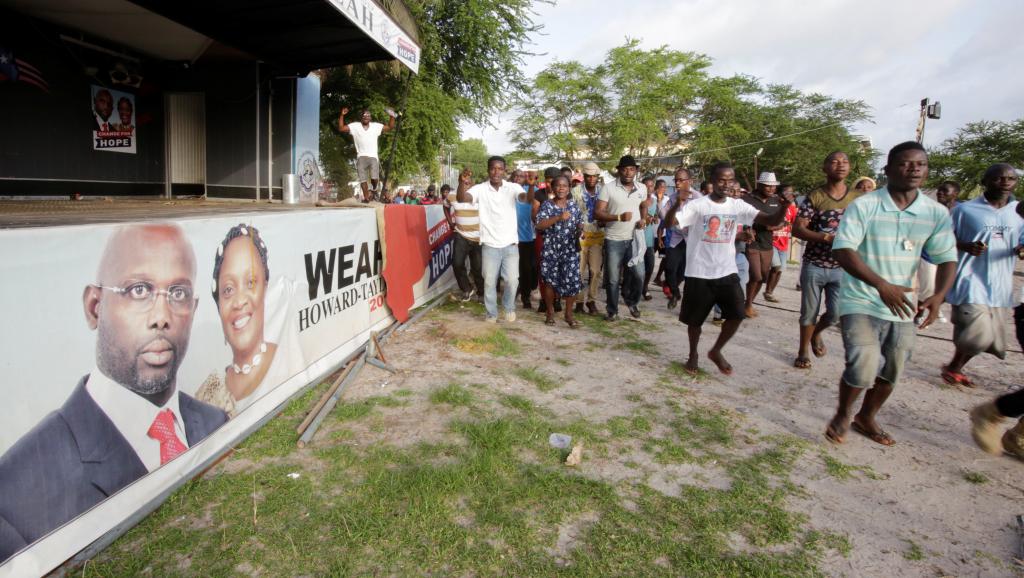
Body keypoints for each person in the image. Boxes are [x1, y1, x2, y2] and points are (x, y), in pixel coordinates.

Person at [0, 224, 227, 562]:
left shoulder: (215, 424)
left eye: (177, 293)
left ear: (193, 311)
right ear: (95, 306)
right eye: (138, 290)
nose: (162, 317)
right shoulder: (12, 496)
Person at [824, 141, 958, 446]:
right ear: (887, 169)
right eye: (905, 163)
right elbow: (843, 250)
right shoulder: (866, 205)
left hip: (902, 306)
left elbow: (947, 257)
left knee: (894, 366)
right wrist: (881, 285)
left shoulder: (934, 213)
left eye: (920, 164)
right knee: (864, 362)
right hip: (860, 299)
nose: (913, 169)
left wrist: (939, 296)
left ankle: (867, 416)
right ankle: (844, 412)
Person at [673, 162, 792, 374]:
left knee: (737, 313)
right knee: (695, 321)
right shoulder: (699, 205)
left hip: (726, 271)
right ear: (712, 180)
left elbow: (770, 219)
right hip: (699, 271)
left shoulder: (737, 205)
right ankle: (693, 354)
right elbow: (673, 222)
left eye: (730, 180)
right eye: (721, 180)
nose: (726, 184)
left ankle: (716, 350)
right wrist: (677, 204)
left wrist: (784, 207)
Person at [196, 224, 305, 417]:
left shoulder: (289, 355)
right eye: (228, 289)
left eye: (251, 283)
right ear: (219, 305)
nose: (239, 302)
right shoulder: (206, 396)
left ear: (265, 288)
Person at [940, 164, 1023, 387]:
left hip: (1000, 284)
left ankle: (954, 367)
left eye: (1011, 178)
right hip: (969, 279)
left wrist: (1020, 249)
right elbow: (942, 238)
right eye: (999, 178)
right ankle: (955, 363)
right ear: (985, 181)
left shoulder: (1018, 212)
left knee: (993, 342)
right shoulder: (965, 210)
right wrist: (965, 245)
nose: (1005, 182)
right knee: (979, 335)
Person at [791, 151, 865, 369]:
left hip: (843, 266)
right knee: (809, 311)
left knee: (835, 314)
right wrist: (826, 237)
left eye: (845, 162)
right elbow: (798, 229)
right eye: (834, 161)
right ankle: (803, 351)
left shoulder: (858, 199)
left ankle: (816, 334)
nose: (840, 165)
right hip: (815, 263)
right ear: (825, 168)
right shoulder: (815, 196)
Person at [458, 156, 527, 322]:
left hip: (510, 244)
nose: (496, 172)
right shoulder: (480, 189)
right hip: (489, 245)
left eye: (500, 169)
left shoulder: (513, 187)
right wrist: (462, 182)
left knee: (512, 280)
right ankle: (491, 313)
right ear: (488, 170)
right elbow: (462, 199)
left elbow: (524, 198)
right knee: (489, 282)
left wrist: (530, 186)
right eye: (493, 168)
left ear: (504, 171)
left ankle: (508, 307)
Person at [595, 155, 650, 320]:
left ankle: (632, 302)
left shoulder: (641, 188)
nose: (628, 172)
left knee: (639, 274)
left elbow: (643, 205)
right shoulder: (608, 188)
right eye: (625, 169)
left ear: (636, 171)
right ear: (619, 170)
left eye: (631, 169)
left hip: (635, 239)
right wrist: (618, 217)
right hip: (614, 240)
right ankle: (612, 310)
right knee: (612, 279)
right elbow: (598, 212)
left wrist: (643, 219)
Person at [536, 176, 584, 327]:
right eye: (558, 185)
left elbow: (579, 222)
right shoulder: (546, 205)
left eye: (564, 186)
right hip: (551, 249)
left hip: (570, 250)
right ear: (552, 188)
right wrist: (558, 217)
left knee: (573, 282)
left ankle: (568, 314)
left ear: (569, 188)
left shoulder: (573, 206)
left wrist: (581, 229)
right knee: (550, 282)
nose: (561, 188)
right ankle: (550, 312)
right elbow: (540, 225)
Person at [916, 180, 961, 323]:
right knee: (927, 286)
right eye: (939, 190)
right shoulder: (930, 210)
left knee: (946, 287)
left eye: (944, 190)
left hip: (951, 256)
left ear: (955, 194)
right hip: (928, 255)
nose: (940, 193)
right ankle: (921, 313)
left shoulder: (961, 211)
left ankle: (935, 307)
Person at [741, 172, 783, 317]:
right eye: (768, 186)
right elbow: (740, 218)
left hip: (767, 243)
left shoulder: (777, 201)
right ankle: (746, 305)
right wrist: (747, 229)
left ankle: (749, 302)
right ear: (759, 185)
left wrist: (775, 226)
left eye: (773, 186)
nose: (771, 188)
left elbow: (782, 220)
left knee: (763, 277)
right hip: (751, 242)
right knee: (756, 275)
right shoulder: (747, 199)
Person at [338, 107, 396, 200]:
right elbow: (341, 128)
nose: (366, 117)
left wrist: (392, 116)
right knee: (363, 180)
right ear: (361, 117)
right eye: (364, 115)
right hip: (361, 156)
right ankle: (366, 198)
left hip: (373, 157)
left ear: (370, 118)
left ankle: (373, 188)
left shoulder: (375, 126)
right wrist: (342, 115)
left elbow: (390, 127)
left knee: (374, 178)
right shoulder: (355, 126)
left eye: (368, 115)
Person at [573, 162, 605, 315]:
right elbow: (571, 212)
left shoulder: (604, 192)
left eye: (594, 176)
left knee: (595, 270)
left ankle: (592, 301)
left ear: (598, 177)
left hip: (598, 236)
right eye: (588, 176)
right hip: (580, 236)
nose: (592, 179)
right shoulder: (575, 192)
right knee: (578, 271)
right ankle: (579, 302)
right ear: (584, 177)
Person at [660, 169, 695, 309]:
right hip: (676, 237)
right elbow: (664, 215)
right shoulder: (673, 197)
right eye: (676, 180)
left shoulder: (698, 198)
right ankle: (675, 293)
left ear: (690, 181)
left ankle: (685, 301)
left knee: (684, 272)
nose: (678, 183)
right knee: (669, 268)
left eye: (681, 180)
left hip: (692, 240)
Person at [450, 169, 484, 302]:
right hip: (461, 235)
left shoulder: (479, 196)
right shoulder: (452, 196)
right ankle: (467, 289)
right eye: (464, 183)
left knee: (478, 268)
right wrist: (450, 222)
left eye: (469, 183)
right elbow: (446, 206)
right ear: (459, 182)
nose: (467, 185)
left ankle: (481, 293)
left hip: (478, 237)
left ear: (473, 184)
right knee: (457, 264)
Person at [764, 184, 798, 302]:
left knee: (780, 270)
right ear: (779, 194)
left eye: (791, 193)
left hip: (783, 243)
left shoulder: (792, 209)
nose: (790, 195)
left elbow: (795, 223)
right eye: (787, 193)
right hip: (771, 241)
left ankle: (769, 292)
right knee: (776, 266)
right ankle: (767, 289)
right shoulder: (773, 205)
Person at [642, 179, 666, 300]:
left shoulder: (655, 201)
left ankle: (644, 288)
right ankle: (631, 289)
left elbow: (659, 215)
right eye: (646, 185)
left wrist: (655, 218)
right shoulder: (637, 200)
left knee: (650, 266)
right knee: (635, 268)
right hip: (637, 238)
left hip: (649, 238)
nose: (648, 188)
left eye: (651, 186)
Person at [516, 173, 538, 309]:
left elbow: (529, 199)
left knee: (530, 268)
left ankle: (528, 293)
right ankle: (523, 295)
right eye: (516, 175)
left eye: (521, 176)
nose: (518, 178)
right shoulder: (509, 192)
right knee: (521, 269)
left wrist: (530, 186)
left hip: (531, 236)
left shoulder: (533, 191)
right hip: (514, 238)